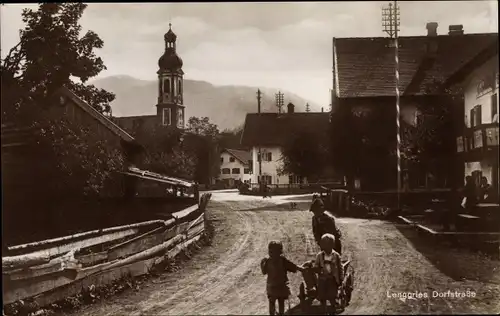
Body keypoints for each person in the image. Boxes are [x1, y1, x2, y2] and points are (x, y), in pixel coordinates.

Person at [260, 241, 304, 315]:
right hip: (279, 286)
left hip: (273, 287)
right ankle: (280, 314)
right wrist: (300, 268)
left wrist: (262, 263)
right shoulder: (281, 260)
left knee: (274, 303)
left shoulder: (267, 261)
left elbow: (264, 272)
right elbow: (292, 267)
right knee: (280, 302)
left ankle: (277, 314)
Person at [314, 233, 343, 315]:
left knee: (332, 297)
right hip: (322, 279)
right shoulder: (319, 256)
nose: (326, 248)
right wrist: (318, 270)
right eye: (324, 246)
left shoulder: (336, 255)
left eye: (328, 245)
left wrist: (341, 278)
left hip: (332, 279)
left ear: (332, 245)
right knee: (322, 297)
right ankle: (323, 311)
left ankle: (333, 310)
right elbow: (316, 266)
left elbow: (340, 267)